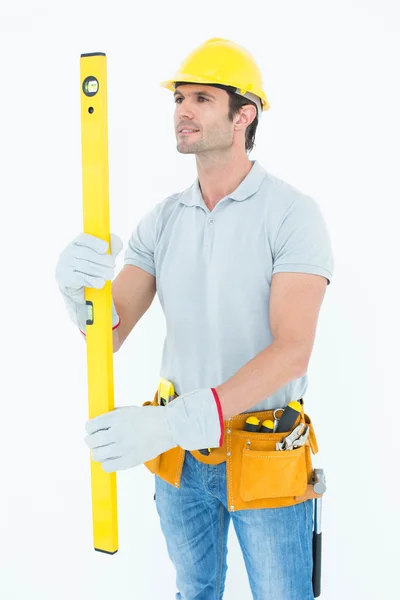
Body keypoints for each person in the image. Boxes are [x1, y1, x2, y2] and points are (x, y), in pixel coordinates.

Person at [55, 37, 334, 599]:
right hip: (182, 466)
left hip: (264, 458)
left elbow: (291, 351)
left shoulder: (291, 215)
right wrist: (73, 289)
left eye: (202, 99)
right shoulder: (162, 221)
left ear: (243, 115)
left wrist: (169, 424)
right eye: (179, 98)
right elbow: (106, 334)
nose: (183, 110)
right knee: (194, 592)